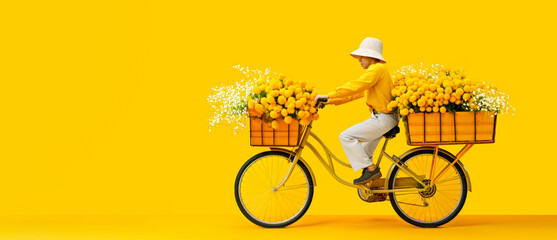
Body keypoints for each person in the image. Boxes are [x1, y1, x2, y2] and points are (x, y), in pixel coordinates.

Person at [313, 37, 400, 185]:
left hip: (384, 118)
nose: (359, 59)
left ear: (371, 56)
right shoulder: (376, 72)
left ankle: (372, 170)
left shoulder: (377, 69)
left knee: (346, 137)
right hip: (381, 118)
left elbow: (356, 86)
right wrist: (330, 100)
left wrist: (329, 95)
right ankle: (371, 186)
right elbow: (356, 93)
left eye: (362, 56)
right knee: (363, 155)